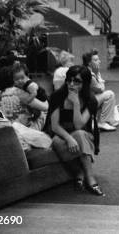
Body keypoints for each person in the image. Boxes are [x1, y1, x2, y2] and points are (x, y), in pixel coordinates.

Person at [49, 65, 104, 196]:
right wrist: (68, 138)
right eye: (69, 80)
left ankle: (90, 179)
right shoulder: (57, 96)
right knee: (59, 141)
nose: (71, 84)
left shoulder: (90, 100)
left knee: (80, 135)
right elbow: (54, 126)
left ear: (84, 83)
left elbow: (79, 125)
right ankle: (79, 172)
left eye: (77, 81)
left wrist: (76, 103)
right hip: (60, 134)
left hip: (82, 134)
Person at [0, 66, 52, 151]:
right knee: (45, 112)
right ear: (12, 79)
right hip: (23, 130)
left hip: (8, 130)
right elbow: (45, 107)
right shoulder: (19, 92)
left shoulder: (0, 96)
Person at [83, 49, 119, 132]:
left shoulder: (89, 71)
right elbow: (101, 89)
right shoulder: (90, 74)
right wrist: (98, 74)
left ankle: (118, 109)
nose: (99, 61)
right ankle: (103, 121)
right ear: (89, 63)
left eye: (98, 59)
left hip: (91, 100)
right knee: (110, 94)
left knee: (110, 108)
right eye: (96, 60)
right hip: (87, 104)